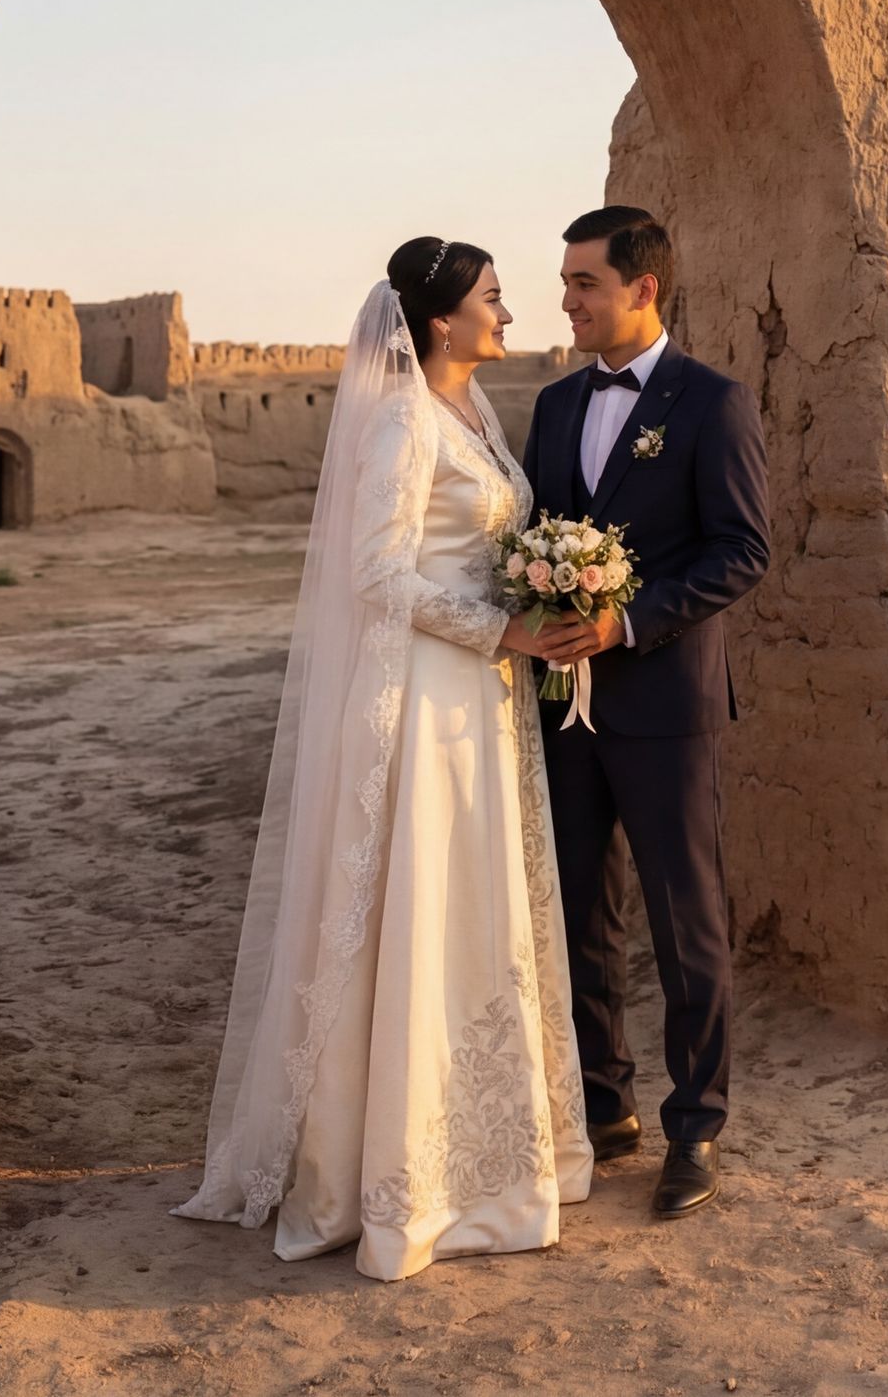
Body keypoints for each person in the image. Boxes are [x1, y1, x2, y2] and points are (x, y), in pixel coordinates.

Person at [173, 238, 600, 1280]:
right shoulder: (405, 419)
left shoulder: (474, 414)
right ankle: (406, 1182)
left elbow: (476, 545)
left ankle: (491, 1159)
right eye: (493, 300)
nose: (511, 314)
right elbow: (375, 572)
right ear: (442, 321)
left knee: (476, 912)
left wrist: (540, 599)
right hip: (429, 698)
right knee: (425, 908)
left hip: (484, 696)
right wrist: (500, 630)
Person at [520, 206, 772, 1219]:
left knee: (685, 921)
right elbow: (538, 525)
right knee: (579, 910)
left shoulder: (714, 403)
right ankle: (602, 1101)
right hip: (560, 706)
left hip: (667, 705)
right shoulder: (550, 404)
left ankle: (696, 1125)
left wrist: (628, 624)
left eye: (584, 281)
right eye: (567, 280)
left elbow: (742, 551)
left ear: (642, 291)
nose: (568, 299)